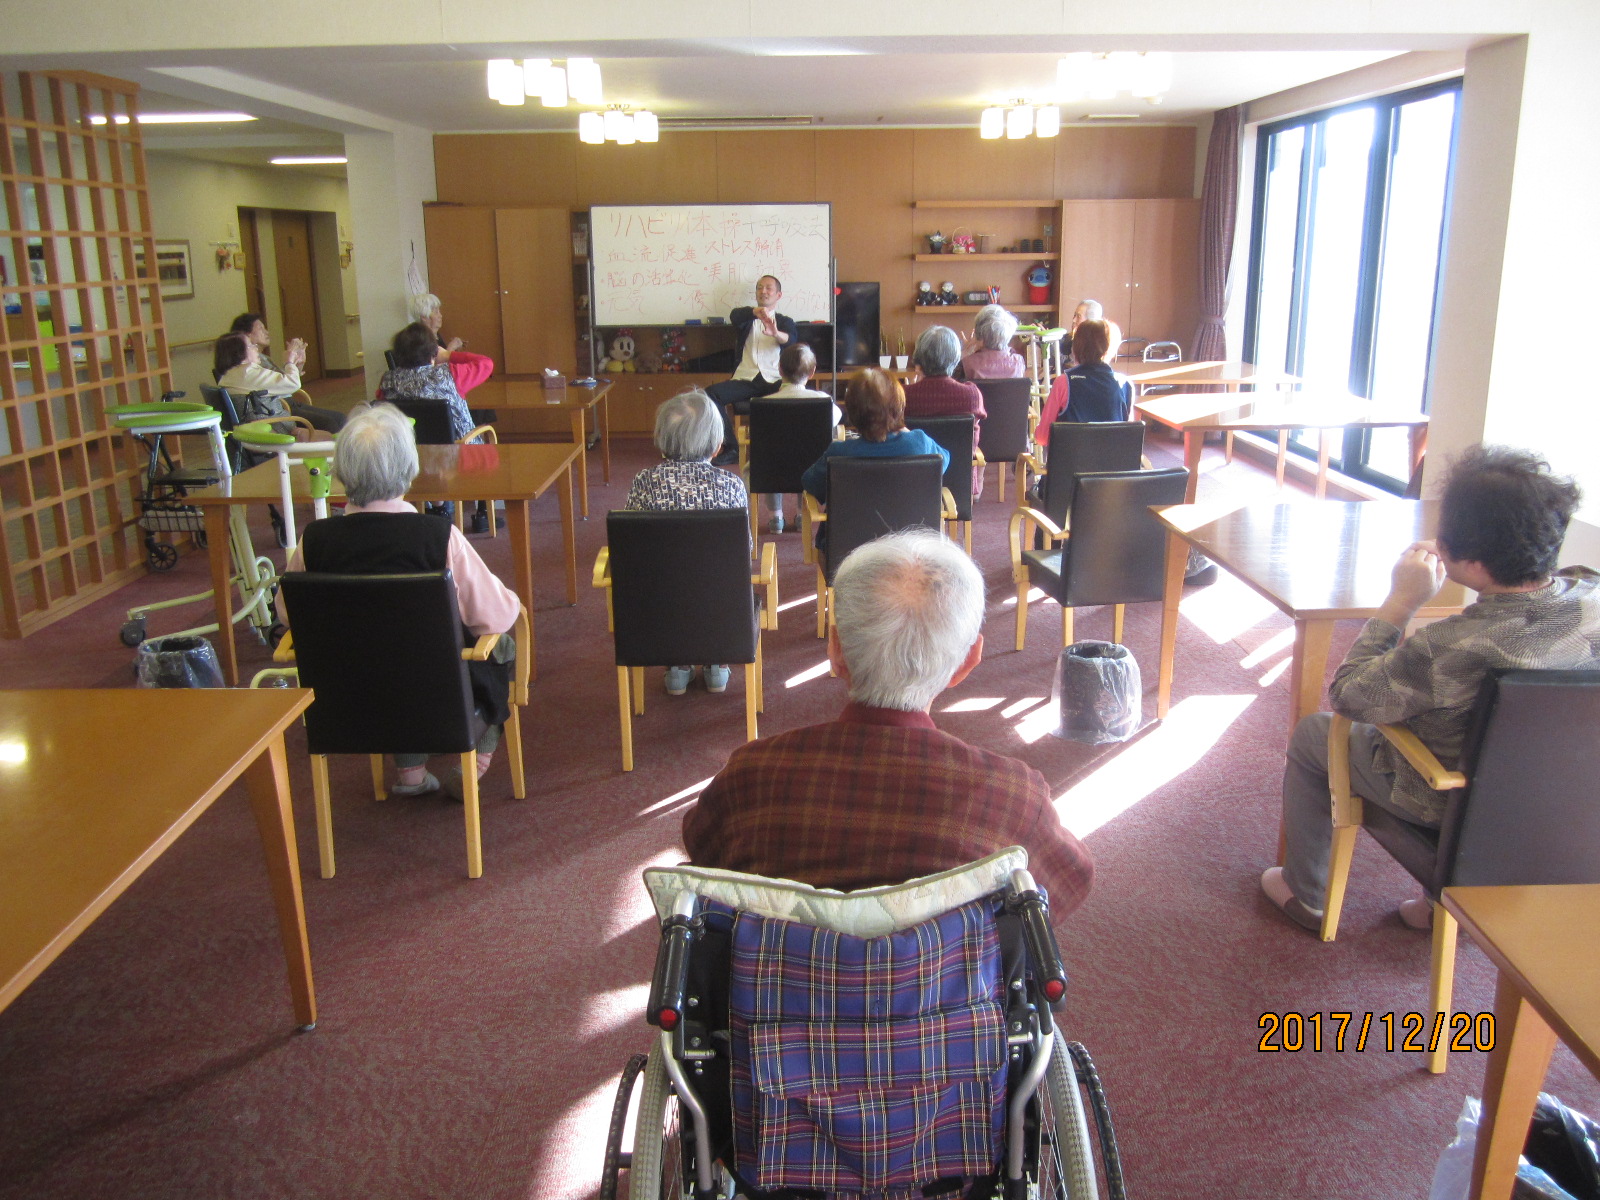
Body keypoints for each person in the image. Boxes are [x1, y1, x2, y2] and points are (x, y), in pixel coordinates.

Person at [1262, 446, 1600, 933]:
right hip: (1571, 799)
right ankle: (1438, 910)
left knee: (1317, 733)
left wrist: (1400, 603)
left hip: (1454, 803)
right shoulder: (1590, 594)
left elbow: (1351, 695)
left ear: (1472, 560)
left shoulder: (1448, 647)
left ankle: (1306, 894)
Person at [682, 528, 1094, 912]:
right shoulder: (1015, 799)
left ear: (836, 650)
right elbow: (1065, 888)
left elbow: (706, 861)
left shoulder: (750, 775)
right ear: (968, 662)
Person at [288, 402, 520, 801]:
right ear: (408, 467)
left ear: (340, 471)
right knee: (500, 647)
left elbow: (289, 612)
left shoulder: (313, 541)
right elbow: (493, 616)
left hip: (348, 696)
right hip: (435, 692)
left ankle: (410, 772)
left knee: (384, 655)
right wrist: (511, 600)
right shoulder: (438, 537)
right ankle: (476, 760)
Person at [623, 389, 750, 696]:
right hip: (719, 607)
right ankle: (716, 664)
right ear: (717, 446)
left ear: (661, 439)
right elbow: (742, 549)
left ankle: (677, 668)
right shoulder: (730, 485)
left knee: (667, 582)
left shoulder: (643, 483)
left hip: (657, 607)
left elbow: (630, 547)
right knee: (717, 581)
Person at [801, 367, 949, 505]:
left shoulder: (838, 452)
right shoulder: (919, 442)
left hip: (853, 525)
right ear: (898, 408)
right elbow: (944, 461)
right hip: (911, 525)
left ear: (851, 412)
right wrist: (906, 431)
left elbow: (809, 482)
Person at [706, 275, 796, 465]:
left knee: (795, 398)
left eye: (769, 288)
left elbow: (791, 341)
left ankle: (783, 449)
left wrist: (775, 333)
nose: (763, 291)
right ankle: (731, 448)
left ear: (778, 295)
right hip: (746, 379)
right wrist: (756, 312)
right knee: (710, 395)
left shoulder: (784, 321)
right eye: (759, 288)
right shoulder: (746, 319)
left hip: (775, 380)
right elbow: (735, 316)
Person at [758, 341, 840, 534]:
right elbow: (836, 419)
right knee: (804, 450)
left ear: (780, 369)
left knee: (770, 453)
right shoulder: (824, 401)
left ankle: (775, 517)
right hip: (809, 466)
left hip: (770, 470)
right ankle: (802, 515)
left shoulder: (763, 404)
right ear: (812, 372)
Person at [903, 325, 987, 498]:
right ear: (956, 359)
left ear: (919, 360)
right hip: (959, 482)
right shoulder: (971, 394)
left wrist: (912, 386)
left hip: (913, 483)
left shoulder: (903, 396)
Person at [226, 313, 345, 432]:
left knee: (339, 418)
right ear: (246, 335)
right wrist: (289, 361)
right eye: (261, 329)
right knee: (331, 422)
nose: (267, 332)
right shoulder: (250, 367)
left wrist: (297, 363)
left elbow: (288, 381)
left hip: (285, 402)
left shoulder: (263, 359)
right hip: (279, 407)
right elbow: (290, 383)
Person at [213, 332, 339, 440]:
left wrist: (294, 365)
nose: (256, 348)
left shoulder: (229, 375)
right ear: (239, 353)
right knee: (332, 436)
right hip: (277, 431)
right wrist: (289, 362)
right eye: (251, 345)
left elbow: (283, 389)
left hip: (260, 428)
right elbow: (293, 384)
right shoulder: (249, 373)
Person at [378, 322, 478, 445]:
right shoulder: (449, 374)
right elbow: (486, 363)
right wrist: (448, 355)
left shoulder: (387, 380)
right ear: (433, 352)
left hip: (409, 449)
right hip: (459, 449)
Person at [1037, 319, 1132, 429]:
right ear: (1111, 349)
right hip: (1113, 441)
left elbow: (1043, 435)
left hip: (1072, 441)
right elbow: (1130, 433)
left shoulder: (1063, 383)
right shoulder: (1125, 384)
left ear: (1075, 348)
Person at [411, 293, 495, 398]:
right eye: (436, 312)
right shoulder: (420, 340)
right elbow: (431, 372)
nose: (440, 315)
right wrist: (450, 349)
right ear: (424, 317)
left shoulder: (435, 336)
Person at [958, 303, 1026, 380]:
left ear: (979, 333)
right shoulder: (1018, 362)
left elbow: (953, 384)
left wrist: (965, 353)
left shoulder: (967, 363)